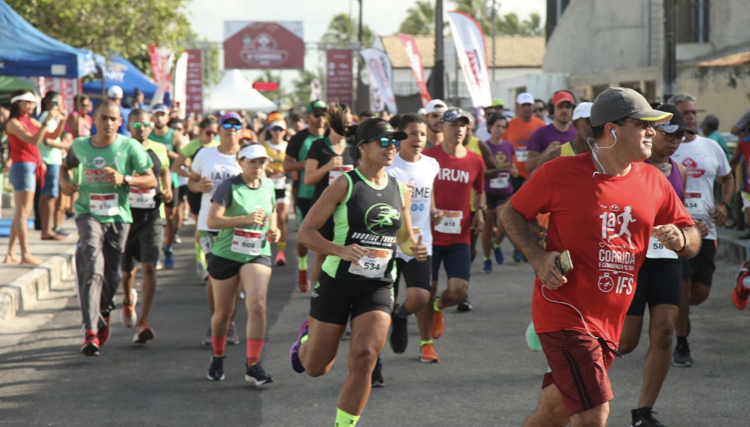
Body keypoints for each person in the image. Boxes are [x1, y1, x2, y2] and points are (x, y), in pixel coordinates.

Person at [501, 87, 700, 427]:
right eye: (644, 125)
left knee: (555, 411)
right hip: (564, 313)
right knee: (594, 413)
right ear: (612, 130)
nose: (653, 132)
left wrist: (682, 238)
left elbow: (693, 234)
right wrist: (537, 257)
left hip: (608, 323)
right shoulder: (559, 173)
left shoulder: (653, 180)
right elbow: (512, 212)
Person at [289, 118, 427, 427]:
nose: (392, 147)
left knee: (365, 357)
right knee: (315, 368)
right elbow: (305, 232)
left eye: (395, 141)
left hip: (378, 284)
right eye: (384, 141)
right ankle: (306, 342)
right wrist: (340, 250)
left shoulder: (400, 189)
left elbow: (402, 237)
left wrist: (413, 247)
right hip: (337, 281)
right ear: (363, 147)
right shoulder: (345, 184)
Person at [60, 99, 157, 356]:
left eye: (113, 119)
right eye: (103, 118)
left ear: (120, 122)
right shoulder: (80, 145)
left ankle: (103, 311)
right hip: (87, 213)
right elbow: (65, 166)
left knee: (112, 275)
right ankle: (90, 330)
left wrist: (125, 178)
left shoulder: (130, 146)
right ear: (94, 119)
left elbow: (152, 179)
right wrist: (64, 182)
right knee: (92, 266)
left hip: (118, 217)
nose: (108, 123)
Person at [616, 103, 691, 427]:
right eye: (667, 133)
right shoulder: (628, 167)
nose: (674, 141)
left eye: (679, 135)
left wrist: (689, 232)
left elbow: (681, 217)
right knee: (626, 342)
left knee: (663, 333)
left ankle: (643, 412)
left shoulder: (680, 171)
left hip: (666, 258)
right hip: (632, 259)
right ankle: (571, 360)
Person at [668, 93, 734, 368]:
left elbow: (727, 178)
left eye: (694, 112)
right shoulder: (668, 148)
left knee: (700, 292)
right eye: (685, 113)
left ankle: (676, 311)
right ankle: (682, 343)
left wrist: (724, 205)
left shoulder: (711, 146)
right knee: (682, 286)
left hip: (707, 229)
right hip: (677, 230)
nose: (692, 117)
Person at [205, 144, 279, 385]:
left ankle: (253, 365)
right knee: (223, 313)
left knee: (257, 305)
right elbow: (213, 220)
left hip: (257, 252)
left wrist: (274, 229)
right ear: (240, 162)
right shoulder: (229, 187)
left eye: (262, 162)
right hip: (226, 254)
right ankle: (217, 355)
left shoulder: (268, 184)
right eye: (253, 162)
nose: (258, 167)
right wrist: (244, 219)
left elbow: (272, 210)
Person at [419, 108, 485, 362]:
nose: (458, 129)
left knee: (458, 291)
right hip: (429, 235)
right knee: (427, 289)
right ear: (441, 128)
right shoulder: (427, 157)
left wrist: (479, 209)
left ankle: (439, 307)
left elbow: (480, 191)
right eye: (452, 124)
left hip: (460, 234)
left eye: (463, 125)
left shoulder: (474, 160)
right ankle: (426, 343)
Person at [384, 113, 439, 372]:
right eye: (413, 133)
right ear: (399, 136)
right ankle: (375, 362)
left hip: (419, 242)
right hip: (388, 246)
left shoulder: (431, 165)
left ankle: (402, 315)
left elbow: (429, 195)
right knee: (382, 306)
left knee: (420, 297)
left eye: (422, 134)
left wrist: (435, 210)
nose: (418, 139)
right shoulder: (387, 166)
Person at [189, 112, 245, 346]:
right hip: (209, 223)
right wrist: (198, 185)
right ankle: (217, 322)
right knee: (215, 275)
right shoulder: (205, 154)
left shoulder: (247, 156)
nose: (231, 128)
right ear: (219, 129)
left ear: (241, 130)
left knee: (235, 277)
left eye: (236, 124)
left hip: (238, 223)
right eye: (226, 124)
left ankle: (228, 321)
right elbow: (191, 181)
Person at [119, 109, 173, 344]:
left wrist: (167, 187)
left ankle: (143, 322)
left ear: (152, 127)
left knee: (149, 267)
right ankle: (128, 300)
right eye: (137, 124)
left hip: (153, 215)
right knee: (127, 271)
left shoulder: (159, 148)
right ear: (128, 126)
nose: (142, 128)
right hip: (125, 215)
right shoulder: (119, 148)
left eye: (146, 124)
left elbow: (164, 169)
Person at [5, 90, 66, 265]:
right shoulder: (13, 123)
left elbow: (52, 136)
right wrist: (47, 121)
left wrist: (60, 120)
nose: (31, 106)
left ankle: (10, 253)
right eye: (28, 102)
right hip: (22, 166)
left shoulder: (30, 120)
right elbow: (33, 140)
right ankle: (25, 254)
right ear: (18, 103)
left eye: (33, 103)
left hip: (30, 166)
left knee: (21, 213)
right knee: (23, 213)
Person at [303, 103, 356, 291]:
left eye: (349, 122)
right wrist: (327, 167)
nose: (346, 127)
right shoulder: (319, 146)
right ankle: (318, 296)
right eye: (343, 123)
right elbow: (308, 179)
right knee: (323, 254)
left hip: (348, 209)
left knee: (350, 253)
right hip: (324, 208)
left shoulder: (354, 146)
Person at [284, 100, 329, 292]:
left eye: (324, 115)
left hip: (329, 196)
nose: (321, 119)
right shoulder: (299, 138)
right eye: (316, 115)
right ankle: (303, 267)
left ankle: (324, 282)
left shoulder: (331, 138)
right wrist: (308, 164)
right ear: (308, 117)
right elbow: (286, 166)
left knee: (327, 241)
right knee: (304, 238)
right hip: (305, 194)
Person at [173, 116, 219, 280]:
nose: (212, 136)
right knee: (202, 227)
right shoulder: (193, 146)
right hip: (197, 192)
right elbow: (176, 166)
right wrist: (193, 177)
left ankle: (216, 260)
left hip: (215, 193)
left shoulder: (218, 145)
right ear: (201, 131)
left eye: (215, 133)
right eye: (208, 132)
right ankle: (201, 262)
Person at [148, 104, 183, 269]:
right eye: (156, 115)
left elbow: (185, 160)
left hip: (171, 181)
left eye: (162, 115)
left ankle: (168, 248)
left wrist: (168, 154)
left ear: (168, 117)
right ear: (152, 118)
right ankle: (153, 253)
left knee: (169, 219)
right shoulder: (148, 135)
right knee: (154, 218)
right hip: (151, 182)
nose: (159, 118)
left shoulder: (174, 135)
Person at [481, 114, 516, 273]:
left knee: (504, 220)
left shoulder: (508, 145)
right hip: (488, 191)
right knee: (488, 226)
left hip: (504, 190)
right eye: (497, 126)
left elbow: (512, 165)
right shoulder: (484, 146)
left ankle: (496, 245)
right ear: (490, 127)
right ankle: (487, 258)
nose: (500, 130)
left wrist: (514, 171)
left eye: (503, 127)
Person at [38, 91, 72, 241]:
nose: (60, 106)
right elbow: (49, 138)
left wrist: (62, 121)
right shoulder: (46, 116)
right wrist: (62, 121)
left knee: (50, 196)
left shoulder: (51, 118)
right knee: (49, 196)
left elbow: (54, 137)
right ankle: (47, 230)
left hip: (53, 159)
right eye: (57, 103)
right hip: (49, 160)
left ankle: (48, 229)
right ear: (50, 103)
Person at [526, 90, 577, 172]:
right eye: (560, 106)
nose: (564, 110)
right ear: (552, 109)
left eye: (567, 107)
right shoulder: (540, 133)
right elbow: (529, 166)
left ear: (572, 109)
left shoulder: (577, 133)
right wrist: (546, 153)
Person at [505, 92, 545, 192]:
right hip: (515, 175)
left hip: (536, 173)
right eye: (523, 105)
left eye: (529, 105)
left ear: (533, 107)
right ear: (518, 107)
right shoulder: (509, 125)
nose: (526, 108)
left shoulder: (542, 126)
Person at [264, 119, 290, 266]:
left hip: (283, 184)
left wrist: (282, 170)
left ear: (284, 131)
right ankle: (266, 248)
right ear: (271, 131)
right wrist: (268, 170)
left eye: (281, 129)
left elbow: (291, 163)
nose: (278, 132)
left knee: (281, 217)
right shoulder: (265, 146)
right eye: (275, 129)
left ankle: (281, 253)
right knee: (267, 217)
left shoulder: (287, 146)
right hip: (267, 185)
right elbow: (260, 162)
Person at [535, 102, 595, 167]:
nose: (593, 125)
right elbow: (534, 176)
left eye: (596, 121)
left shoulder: (604, 154)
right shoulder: (557, 155)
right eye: (589, 120)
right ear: (575, 123)